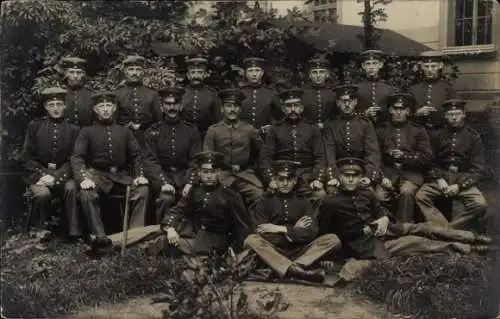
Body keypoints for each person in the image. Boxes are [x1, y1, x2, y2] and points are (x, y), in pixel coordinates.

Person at [319, 157, 493, 283]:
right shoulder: (331, 202)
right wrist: (334, 257)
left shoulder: (366, 193)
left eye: (355, 175)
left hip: (388, 230)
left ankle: (471, 237)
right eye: (346, 175)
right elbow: (327, 234)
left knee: (425, 227)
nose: (350, 179)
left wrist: (384, 219)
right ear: (339, 177)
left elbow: (381, 210)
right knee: (418, 242)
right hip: (368, 245)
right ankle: (469, 248)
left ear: (360, 177)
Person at [71, 91, 150, 249]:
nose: (105, 109)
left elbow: (137, 156)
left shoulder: (124, 131)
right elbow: (77, 157)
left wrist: (139, 175)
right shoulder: (87, 131)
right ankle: (100, 237)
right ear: (95, 109)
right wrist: (83, 178)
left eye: (108, 106)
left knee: (143, 190)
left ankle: (134, 238)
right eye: (101, 106)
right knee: (87, 194)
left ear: (114, 108)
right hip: (97, 176)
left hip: (121, 176)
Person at [243, 160, 341, 283]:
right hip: (274, 250)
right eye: (281, 179)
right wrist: (295, 231)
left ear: (295, 181)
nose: (285, 183)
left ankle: (290, 268)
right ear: (275, 180)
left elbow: (311, 232)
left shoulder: (303, 201)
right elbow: (261, 231)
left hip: (301, 251)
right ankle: (297, 271)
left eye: (289, 179)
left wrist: (282, 229)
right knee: (251, 240)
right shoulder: (265, 202)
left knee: (332, 239)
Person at [154, 151, 251, 256]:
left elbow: (243, 226)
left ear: (218, 172)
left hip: (215, 242)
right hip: (195, 233)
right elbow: (178, 210)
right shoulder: (196, 191)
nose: (209, 176)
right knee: (155, 232)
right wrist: (171, 228)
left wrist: (234, 248)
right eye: (205, 172)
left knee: (163, 242)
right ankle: (135, 238)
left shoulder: (230, 195)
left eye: (212, 172)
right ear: (199, 173)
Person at [415, 99, 487, 230]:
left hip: (463, 178)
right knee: (421, 196)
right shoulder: (437, 135)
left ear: (464, 114)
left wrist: (459, 186)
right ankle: (443, 227)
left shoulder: (473, 136)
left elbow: (478, 169)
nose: (454, 117)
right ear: (445, 116)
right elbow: (430, 162)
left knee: (480, 204)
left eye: (457, 113)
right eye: (450, 114)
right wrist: (439, 179)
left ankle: (449, 229)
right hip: (441, 177)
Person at [21, 87, 81, 239]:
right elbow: (27, 157)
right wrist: (43, 175)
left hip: (65, 174)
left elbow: (74, 158)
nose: (56, 108)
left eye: (59, 104)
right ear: (46, 107)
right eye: (52, 104)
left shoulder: (74, 129)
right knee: (42, 193)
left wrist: (57, 176)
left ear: (65, 106)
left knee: (71, 187)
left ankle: (74, 232)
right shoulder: (35, 126)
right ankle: (40, 230)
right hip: (39, 175)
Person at [143, 86, 201, 223]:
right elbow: (151, 161)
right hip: (165, 176)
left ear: (180, 106)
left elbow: (196, 160)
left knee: (193, 197)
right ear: (162, 107)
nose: (172, 108)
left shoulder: (191, 130)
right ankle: (161, 236)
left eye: (175, 104)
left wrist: (190, 182)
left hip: (184, 175)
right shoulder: (153, 132)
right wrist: (163, 182)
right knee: (165, 198)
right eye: (168, 104)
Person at [260, 88, 327, 201]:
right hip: (282, 175)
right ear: (283, 109)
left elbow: (320, 157)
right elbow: (265, 158)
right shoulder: (275, 129)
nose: (293, 109)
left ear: (301, 108)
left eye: (296, 106)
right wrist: (271, 179)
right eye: (288, 106)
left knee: (320, 195)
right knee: (269, 195)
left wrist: (317, 179)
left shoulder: (312, 128)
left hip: (306, 174)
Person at [375, 92, 432, 222]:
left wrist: (405, 156)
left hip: (411, 173)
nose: (399, 112)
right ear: (390, 110)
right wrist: (380, 177)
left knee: (406, 192)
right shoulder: (381, 130)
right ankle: (385, 227)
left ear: (408, 111)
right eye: (395, 108)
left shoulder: (418, 130)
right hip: (387, 172)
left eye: (402, 109)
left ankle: (404, 227)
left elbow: (427, 157)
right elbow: (375, 156)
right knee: (379, 195)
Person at [203, 88, 264, 206]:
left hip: (245, 175)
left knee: (259, 195)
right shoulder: (213, 130)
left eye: (235, 106)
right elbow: (207, 156)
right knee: (217, 198)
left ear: (240, 109)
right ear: (222, 109)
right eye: (228, 106)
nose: (232, 110)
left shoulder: (249, 129)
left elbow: (262, 152)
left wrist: (252, 166)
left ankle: (253, 223)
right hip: (221, 176)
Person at [323, 84, 382, 191]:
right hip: (339, 170)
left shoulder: (365, 123)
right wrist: (333, 177)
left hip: (361, 169)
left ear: (355, 102)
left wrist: (368, 176)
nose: (347, 104)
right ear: (337, 103)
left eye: (350, 101)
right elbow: (329, 152)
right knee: (332, 191)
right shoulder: (331, 124)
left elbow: (372, 152)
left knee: (370, 193)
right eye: (343, 101)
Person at [115, 55, 162, 146]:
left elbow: (158, 120)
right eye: (131, 69)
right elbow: (114, 120)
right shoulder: (117, 93)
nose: (134, 73)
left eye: (138, 69)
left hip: (147, 136)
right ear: (125, 72)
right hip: (124, 136)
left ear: (143, 72)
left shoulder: (152, 93)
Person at [410, 51, 457, 130]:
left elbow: (455, 112)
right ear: (422, 66)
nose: (430, 70)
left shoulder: (447, 88)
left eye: (433, 66)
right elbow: (407, 114)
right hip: (419, 132)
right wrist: (417, 113)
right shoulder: (413, 89)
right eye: (427, 66)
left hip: (441, 132)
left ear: (440, 66)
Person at [181, 55, 221, 139]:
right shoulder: (181, 93)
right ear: (188, 75)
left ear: (205, 75)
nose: (196, 76)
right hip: (184, 135)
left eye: (199, 72)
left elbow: (218, 119)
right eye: (193, 72)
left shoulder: (213, 93)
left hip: (206, 136)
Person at [356, 50, 397, 126]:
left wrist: (383, 112)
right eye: (368, 64)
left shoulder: (390, 89)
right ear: (363, 66)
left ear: (380, 65)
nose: (371, 67)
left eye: (375, 63)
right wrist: (364, 114)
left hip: (384, 128)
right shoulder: (356, 88)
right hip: (362, 127)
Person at [240, 57, 282, 131]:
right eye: (250, 71)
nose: (254, 74)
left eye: (257, 70)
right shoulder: (240, 92)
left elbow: (280, 117)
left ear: (262, 73)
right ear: (246, 73)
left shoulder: (272, 93)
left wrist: (272, 127)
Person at [301, 57, 337, 130]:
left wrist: (326, 124)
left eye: (321, 72)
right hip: (308, 131)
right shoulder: (302, 93)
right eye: (314, 72)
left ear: (327, 74)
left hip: (330, 131)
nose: (318, 76)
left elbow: (337, 116)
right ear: (309, 75)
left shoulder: (334, 93)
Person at [60, 56, 94, 127]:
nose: (75, 76)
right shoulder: (61, 93)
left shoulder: (90, 94)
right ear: (66, 74)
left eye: (78, 72)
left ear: (83, 74)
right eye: (72, 72)